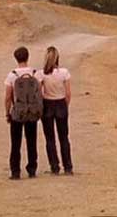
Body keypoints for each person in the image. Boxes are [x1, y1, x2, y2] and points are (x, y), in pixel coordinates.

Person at [4, 46, 42, 180]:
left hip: (17, 112)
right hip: (31, 111)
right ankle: (32, 169)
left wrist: (7, 112)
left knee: (15, 143)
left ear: (16, 58)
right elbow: (39, 93)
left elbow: (8, 96)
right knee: (31, 141)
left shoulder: (12, 75)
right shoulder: (35, 73)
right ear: (28, 57)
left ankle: (15, 171)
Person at [40, 46, 74, 175]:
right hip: (61, 103)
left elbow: (39, 93)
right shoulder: (64, 72)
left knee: (50, 138)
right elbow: (68, 93)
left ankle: (54, 166)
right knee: (64, 137)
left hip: (48, 104)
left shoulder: (41, 73)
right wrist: (65, 105)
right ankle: (68, 166)